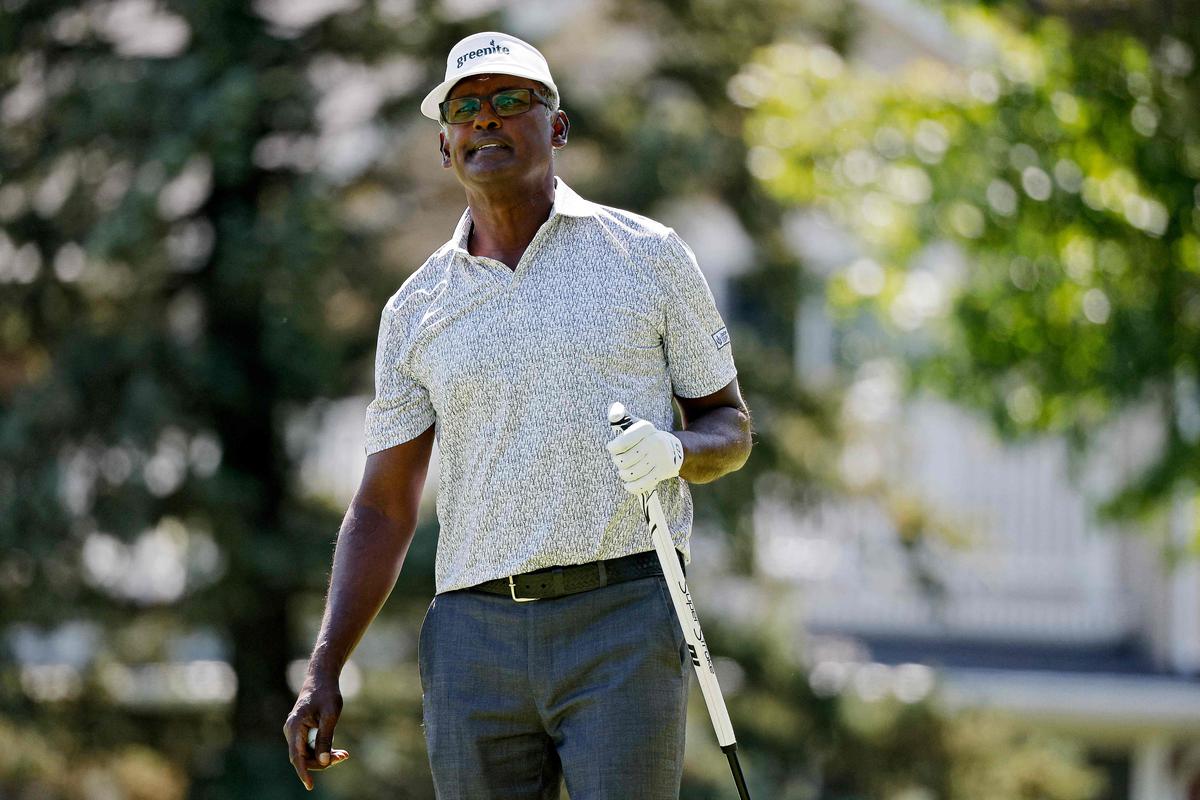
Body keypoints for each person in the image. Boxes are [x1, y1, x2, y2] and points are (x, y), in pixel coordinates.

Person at [283, 31, 752, 799]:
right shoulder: (415, 309)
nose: (487, 122)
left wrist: (674, 450)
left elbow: (729, 427)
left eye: (510, 102)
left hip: (623, 618)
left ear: (556, 127)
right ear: (445, 146)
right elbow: (382, 504)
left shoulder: (648, 255)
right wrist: (325, 667)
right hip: (474, 640)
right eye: (466, 110)